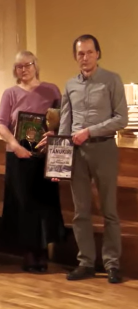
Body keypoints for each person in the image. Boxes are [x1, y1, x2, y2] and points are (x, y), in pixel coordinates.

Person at [57, 34, 127, 284]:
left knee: (109, 210)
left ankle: (112, 264)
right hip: (78, 154)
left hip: (104, 148)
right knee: (81, 212)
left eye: (89, 52)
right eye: (80, 53)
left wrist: (90, 131)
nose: (85, 57)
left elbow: (121, 119)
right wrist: (58, 158)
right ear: (75, 57)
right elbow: (65, 122)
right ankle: (85, 262)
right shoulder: (70, 85)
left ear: (97, 54)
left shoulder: (112, 80)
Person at [0, 51, 66, 272]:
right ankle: (28, 254)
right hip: (18, 154)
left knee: (45, 203)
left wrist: (53, 133)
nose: (24, 69)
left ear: (36, 66)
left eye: (28, 65)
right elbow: (0, 123)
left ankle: (42, 252)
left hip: (44, 155)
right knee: (23, 205)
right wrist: (15, 145)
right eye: (19, 66)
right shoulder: (10, 93)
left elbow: (62, 119)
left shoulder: (51, 90)